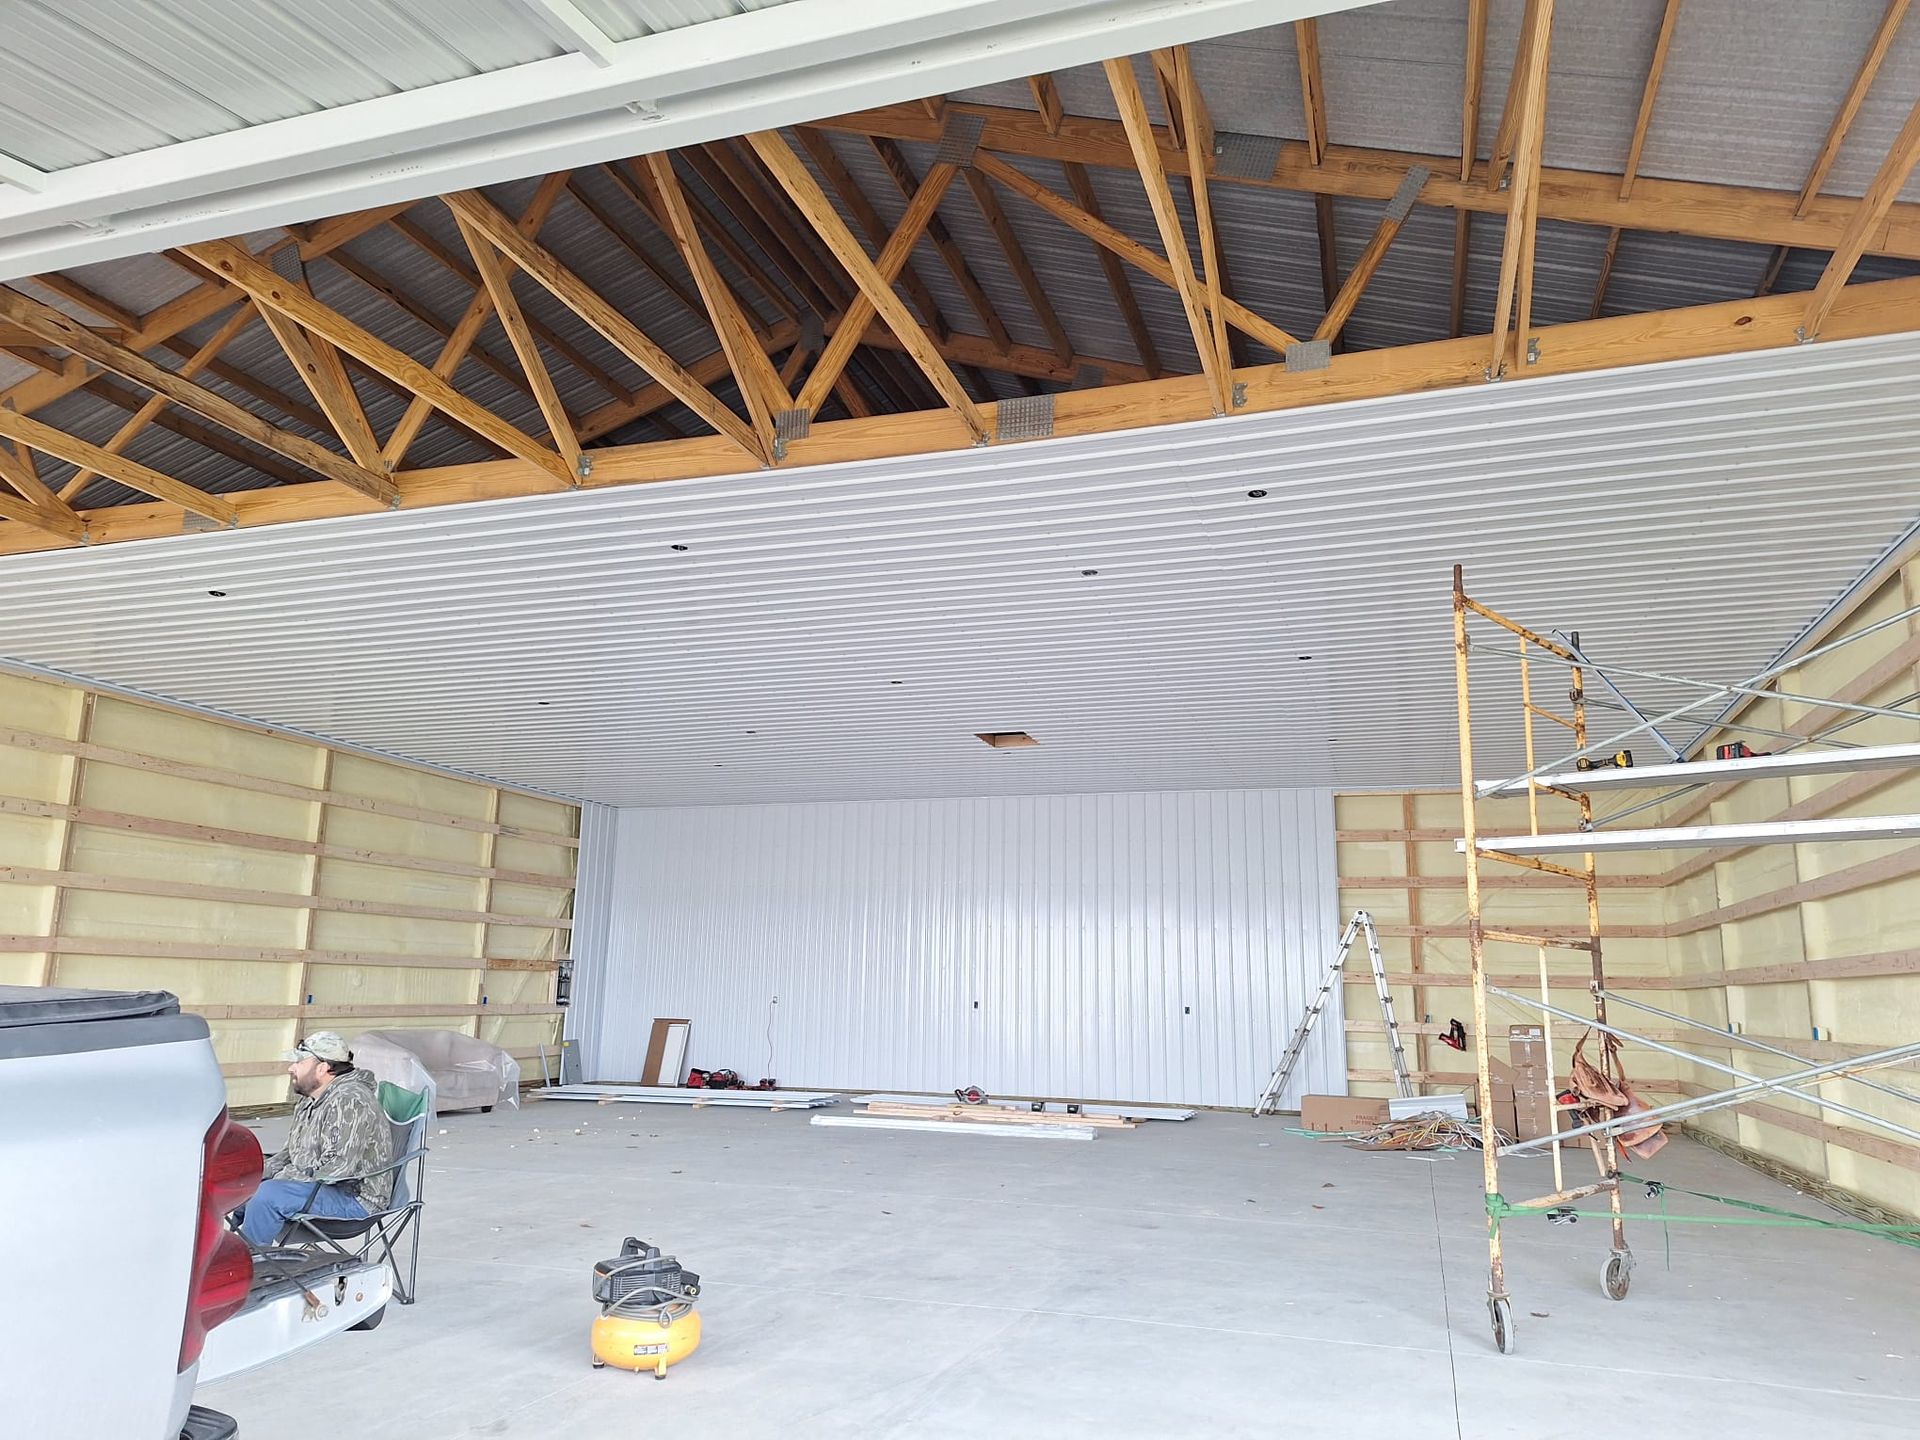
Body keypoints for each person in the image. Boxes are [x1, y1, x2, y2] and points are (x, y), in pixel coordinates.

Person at [234, 1033, 394, 1249]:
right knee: (242, 1184)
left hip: (354, 1198)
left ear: (322, 1068)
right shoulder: (311, 1100)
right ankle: (228, 1257)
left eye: (299, 1062)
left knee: (267, 1196)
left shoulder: (350, 1101)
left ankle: (251, 1266)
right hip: (320, 1186)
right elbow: (291, 1152)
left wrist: (279, 1180)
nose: (292, 1068)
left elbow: (338, 1168)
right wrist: (258, 1175)